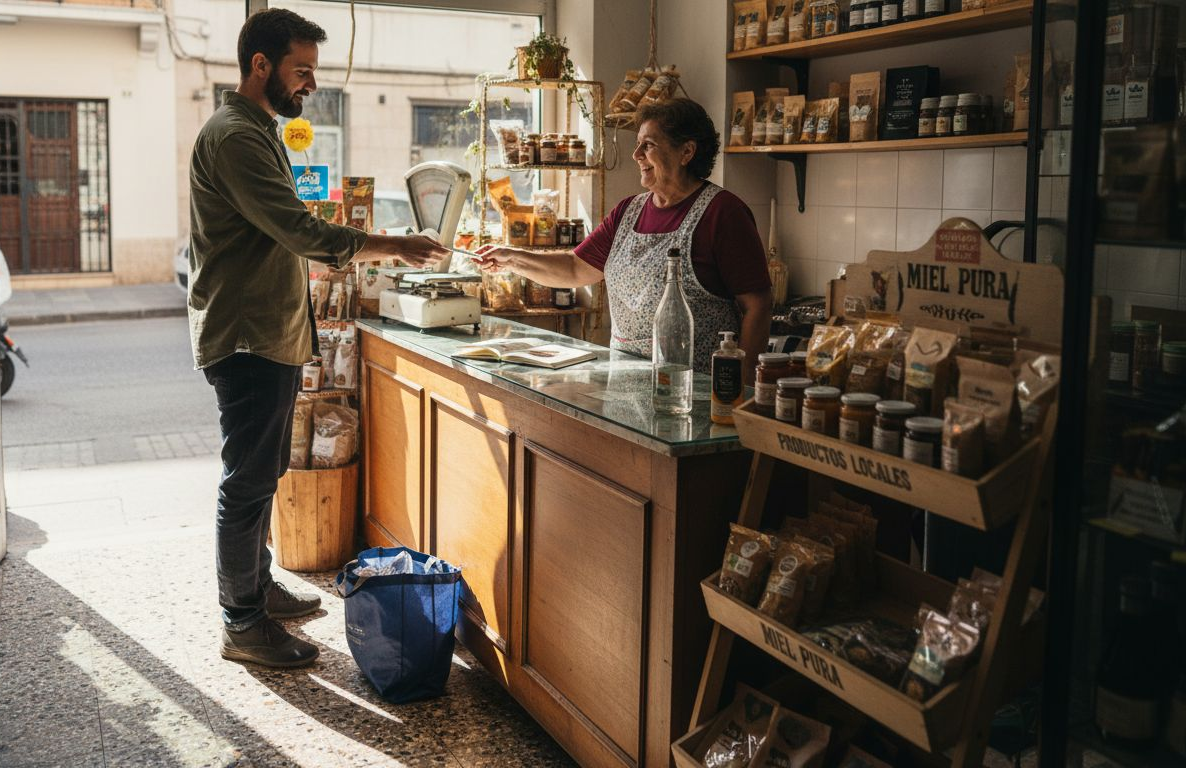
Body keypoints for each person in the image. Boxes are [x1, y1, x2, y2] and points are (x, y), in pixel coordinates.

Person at [188, 8, 447, 669]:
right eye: (301, 71)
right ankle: (240, 623)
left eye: (312, 72)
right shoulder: (234, 138)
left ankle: (257, 589)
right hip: (246, 336)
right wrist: (394, 244)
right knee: (247, 481)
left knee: (265, 473)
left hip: (267, 332)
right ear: (261, 65)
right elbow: (298, 230)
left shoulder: (257, 129)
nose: (309, 84)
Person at [476, 98, 772, 382]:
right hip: (626, 384)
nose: (636, 155)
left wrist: (739, 392)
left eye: (649, 145)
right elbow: (573, 268)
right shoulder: (628, 211)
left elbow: (757, 307)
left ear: (687, 152)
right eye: (638, 144)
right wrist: (511, 258)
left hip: (696, 390)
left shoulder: (723, 212)